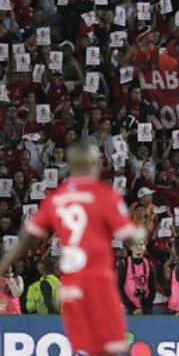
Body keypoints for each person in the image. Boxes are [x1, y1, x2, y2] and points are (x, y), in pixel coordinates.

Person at [0, 141, 145, 356]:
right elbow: (130, 237)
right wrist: (140, 231)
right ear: (94, 163)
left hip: (71, 287)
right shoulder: (104, 195)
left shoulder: (57, 198)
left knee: (83, 349)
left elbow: (25, 238)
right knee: (110, 349)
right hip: (99, 283)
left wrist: (3, 265)